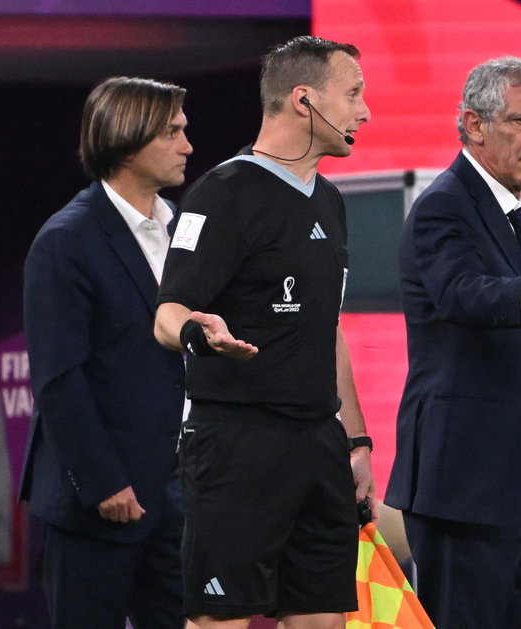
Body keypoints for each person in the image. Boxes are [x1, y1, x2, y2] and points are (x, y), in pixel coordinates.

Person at [152, 36, 374, 629]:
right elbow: (168, 312)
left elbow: (328, 332)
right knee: (220, 620)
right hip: (237, 445)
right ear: (304, 100)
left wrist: (355, 442)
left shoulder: (330, 200)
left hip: (320, 446)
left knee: (325, 618)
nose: (364, 111)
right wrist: (199, 334)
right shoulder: (222, 193)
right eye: (352, 94)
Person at [385, 56, 521, 629]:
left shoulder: (514, 211)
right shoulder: (444, 205)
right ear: (474, 125)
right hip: (467, 486)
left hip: (516, 487)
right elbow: (460, 293)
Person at [21, 76, 192, 629]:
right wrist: (104, 484)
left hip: (181, 492)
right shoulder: (67, 240)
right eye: (173, 133)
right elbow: (58, 379)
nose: (188, 146)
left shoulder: (185, 229)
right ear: (128, 139)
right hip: (101, 499)